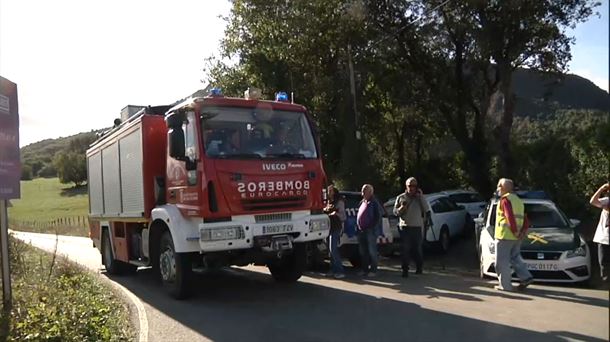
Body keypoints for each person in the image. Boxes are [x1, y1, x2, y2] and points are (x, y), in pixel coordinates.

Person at [494, 178, 533, 291]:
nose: (497, 189)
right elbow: (525, 219)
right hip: (517, 236)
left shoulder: (505, 200)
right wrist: (522, 232)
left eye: (498, 186)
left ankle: (505, 286)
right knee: (515, 257)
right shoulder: (518, 201)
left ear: (502, 188)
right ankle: (526, 277)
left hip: (505, 235)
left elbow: (509, 215)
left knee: (501, 262)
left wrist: (514, 230)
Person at [393, 177, 431, 278]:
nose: (412, 188)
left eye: (414, 186)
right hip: (405, 227)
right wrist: (402, 207)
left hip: (417, 227)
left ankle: (419, 267)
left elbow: (427, 209)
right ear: (406, 186)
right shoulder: (401, 197)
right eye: (410, 186)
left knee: (417, 249)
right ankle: (405, 270)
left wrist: (420, 197)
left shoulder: (420, 198)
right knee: (405, 249)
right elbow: (395, 213)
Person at [356, 184, 383, 277]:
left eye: (365, 190)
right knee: (363, 252)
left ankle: (373, 270)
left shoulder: (374, 202)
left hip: (370, 231)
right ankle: (364, 269)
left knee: (372, 251)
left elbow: (378, 216)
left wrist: (372, 227)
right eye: (362, 190)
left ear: (371, 192)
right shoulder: (362, 202)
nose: (362, 192)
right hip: (361, 230)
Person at [324, 185, 347, 279]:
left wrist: (335, 214)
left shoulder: (339, 202)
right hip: (328, 227)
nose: (328, 192)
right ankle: (333, 269)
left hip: (336, 227)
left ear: (334, 192)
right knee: (330, 250)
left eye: (330, 191)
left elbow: (343, 216)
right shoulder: (328, 202)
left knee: (333, 248)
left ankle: (340, 270)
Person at [590, 182, 610, 282]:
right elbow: (593, 201)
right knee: (604, 266)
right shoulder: (607, 201)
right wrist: (601, 189)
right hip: (604, 239)